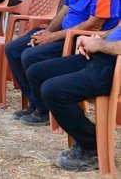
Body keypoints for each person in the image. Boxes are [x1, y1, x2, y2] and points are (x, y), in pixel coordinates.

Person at [6, 0, 121, 125]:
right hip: (63, 33)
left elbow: (95, 24)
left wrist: (52, 38)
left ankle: (43, 110)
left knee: (30, 56)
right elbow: (65, 9)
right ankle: (35, 102)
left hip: (82, 37)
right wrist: (48, 32)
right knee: (14, 49)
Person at [27, 27, 121, 172]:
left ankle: (92, 146)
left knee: (52, 91)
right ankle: (44, 114)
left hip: (113, 68)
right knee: (37, 72)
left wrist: (99, 45)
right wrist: (95, 39)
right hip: (100, 56)